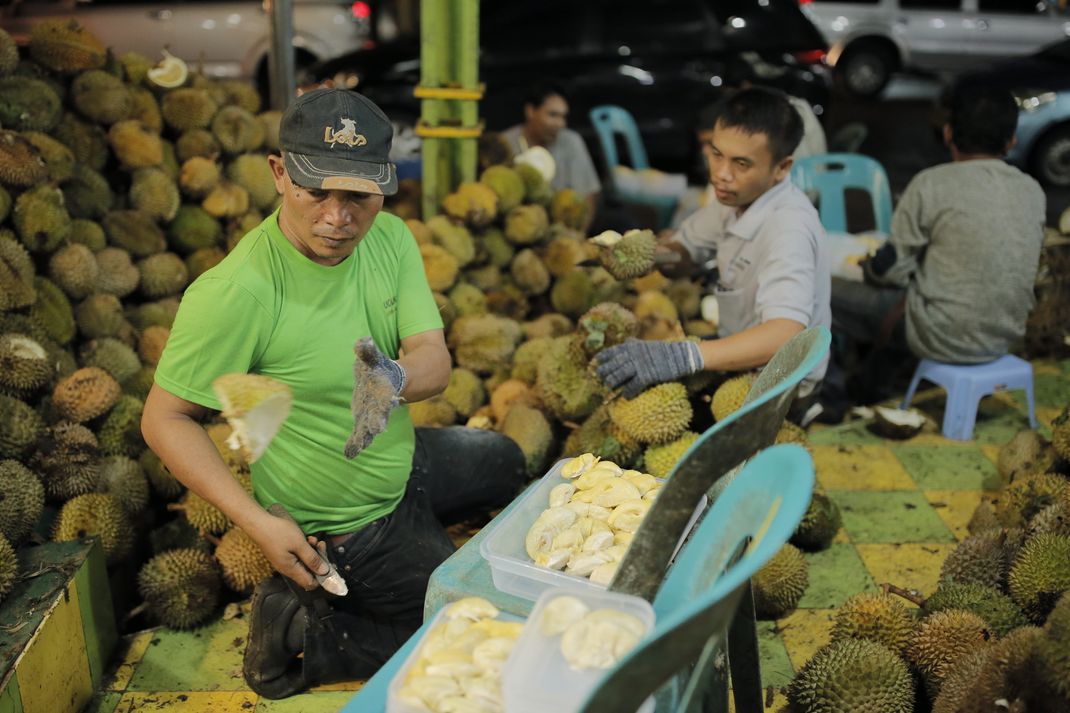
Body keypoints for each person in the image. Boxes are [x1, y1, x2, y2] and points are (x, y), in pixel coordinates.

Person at [141, 88, 526, 698]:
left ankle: (414, 534)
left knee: (508, 461)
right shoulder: (235, 292)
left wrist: (393, 380)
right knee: (470, 636)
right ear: (279, 173)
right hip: (343, 520)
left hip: (398, 461)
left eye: (358, 196)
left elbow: (435, 358)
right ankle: (301, 636)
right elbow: (165, 420)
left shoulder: (390, 237)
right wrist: (256, 523)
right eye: (316, 189)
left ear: (383, 189)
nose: (336, 217)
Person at [596, 87, 831, 413]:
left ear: (782, 168)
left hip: (779, 392)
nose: (721, 174)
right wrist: (651, 256)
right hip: (737, 368)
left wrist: (686, 356)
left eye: (741, 163)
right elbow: (688, 248)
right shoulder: (733, 197)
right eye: (716, 153)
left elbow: (785, 334)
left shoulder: (789, 228)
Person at [820, 86, 1046, 418]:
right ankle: (873, 385)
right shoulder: (1032, 190)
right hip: (1006, 335)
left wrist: (871, 268)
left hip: (941, 335)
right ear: (1011, 139)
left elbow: (891, 270)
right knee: (918, 298)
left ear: (948, 132)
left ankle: (832, 397)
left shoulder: (931, 183)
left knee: (819, 290)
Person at [502, 81, 602, 225]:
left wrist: (579, 234)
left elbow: (588, 195)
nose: (560, 123)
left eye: (563, 117)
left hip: (561, 226)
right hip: (518, 224)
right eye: (553, 115)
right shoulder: (506, 143)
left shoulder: (571, 142)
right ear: (530, 111)